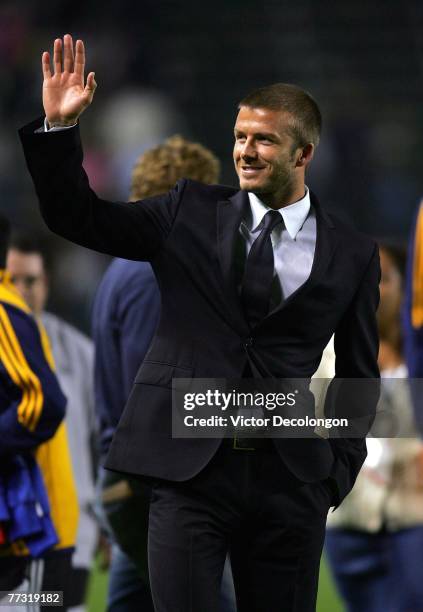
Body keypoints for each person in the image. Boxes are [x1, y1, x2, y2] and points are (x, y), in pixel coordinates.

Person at [19, 35, 380, 612]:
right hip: (188, 479)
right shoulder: (186, 211)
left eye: (264, 139)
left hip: (290, 484)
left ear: (303, 154)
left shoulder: (352, 253)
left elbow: (360, 375)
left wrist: (334, 474)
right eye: (239, 137)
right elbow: (77, 217)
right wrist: (59, 131)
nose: (245, 151)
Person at [93, 134, 237, 612]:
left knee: (132, 602)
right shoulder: (153, 270)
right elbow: (153, 396)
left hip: (135, 479)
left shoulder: (128, 266)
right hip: (156, 483)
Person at [324, 244, 423, 612]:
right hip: (348, 523)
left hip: (413, 516)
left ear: (406, 286)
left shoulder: (417, 357)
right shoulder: (327, 354)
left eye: (384, 277)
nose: (372, 287)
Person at [6, 233, 97, 612]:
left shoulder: (81, 354)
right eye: (11, 281)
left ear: (45, 284)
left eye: (30, 281)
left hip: (71, 534)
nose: (21, 291)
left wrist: (106, 518)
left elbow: (105, 440)